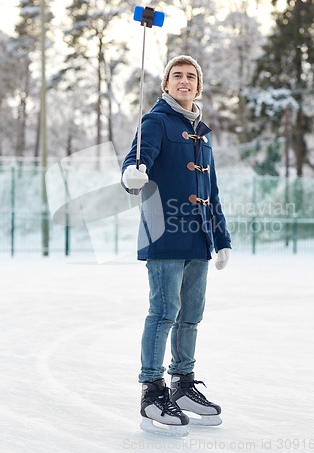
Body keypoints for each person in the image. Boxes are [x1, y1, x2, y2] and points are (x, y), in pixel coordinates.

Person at [121, 55, 231, 434]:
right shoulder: (155, 121)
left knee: (191, 315)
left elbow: (210, 189)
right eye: (176, 76)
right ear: (166, 84)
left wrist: (222, 238)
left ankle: (183, 385)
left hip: (198, 237)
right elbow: (136, 163)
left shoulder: (202, 131)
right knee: (164, 311)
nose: (184, 81)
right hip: (164, 233)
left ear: (198, 87)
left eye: (190, 76)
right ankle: (152, 390)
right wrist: (132, 175)